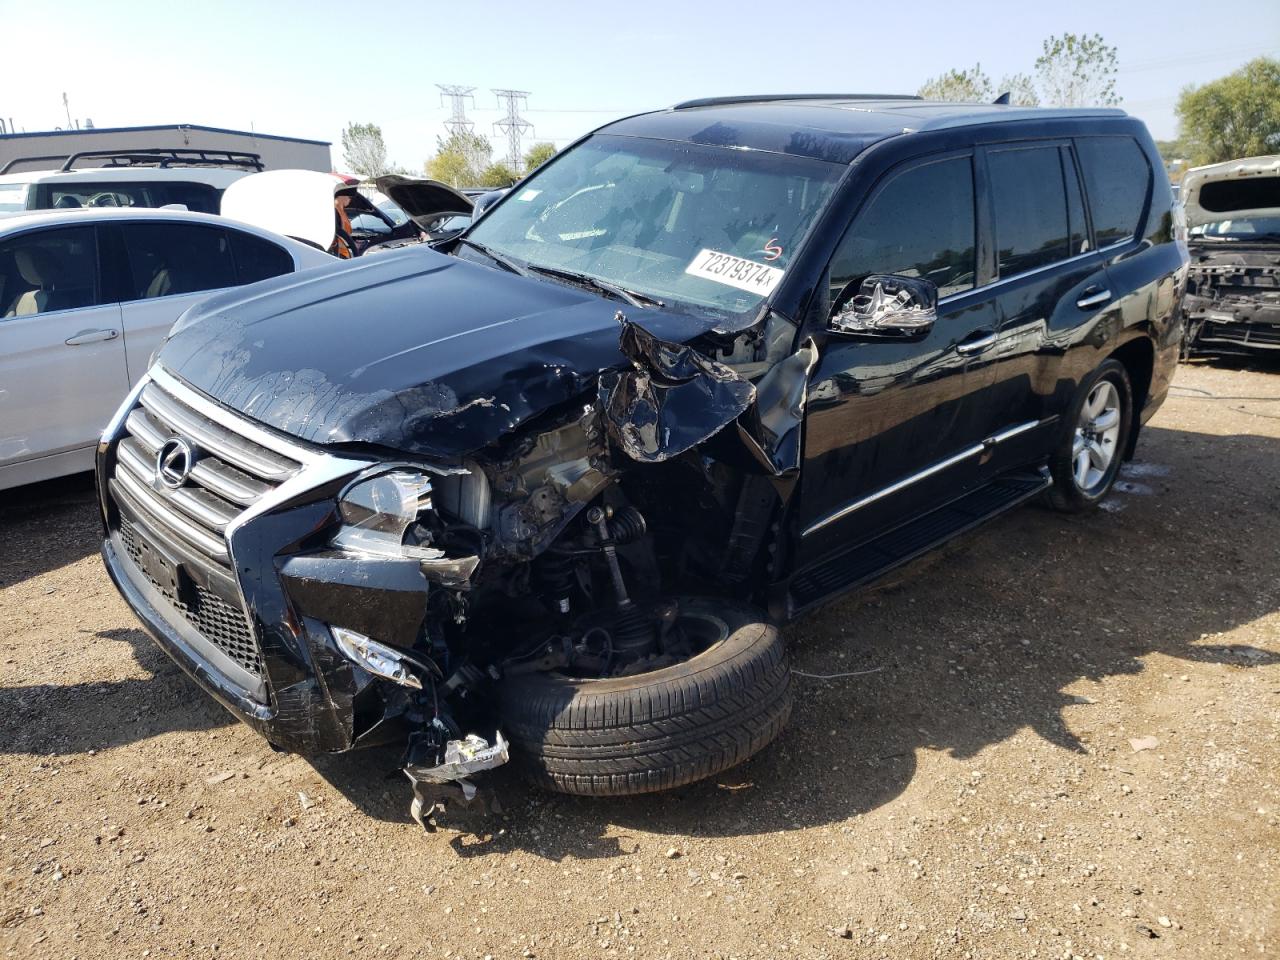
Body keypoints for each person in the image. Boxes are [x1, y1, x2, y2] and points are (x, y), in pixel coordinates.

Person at [331, 191, 355, 259]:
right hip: (339, 254)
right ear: (340, 195)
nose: (350, 198)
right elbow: (338, 234)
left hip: (346, 252)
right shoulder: (334, 211)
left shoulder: (341, 211)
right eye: (349, 196)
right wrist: (352, 247)